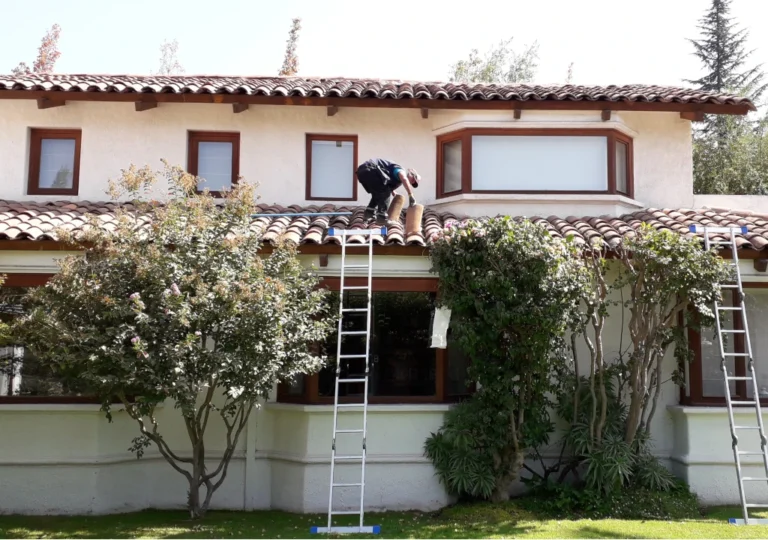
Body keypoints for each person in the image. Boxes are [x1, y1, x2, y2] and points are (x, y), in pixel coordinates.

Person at [355, 158, 420, 225]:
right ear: (411, 174)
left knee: (377, 194)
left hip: (362, 172)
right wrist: (410, 195)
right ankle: (382, 218)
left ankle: (368, 213)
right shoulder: (401, 170)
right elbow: (404, 179)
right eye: (413, 180)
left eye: (413, 183)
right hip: (370, 169)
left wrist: (393, 191)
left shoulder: (397, 181)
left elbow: (387, 182)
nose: (411, 182)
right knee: (385, 192)